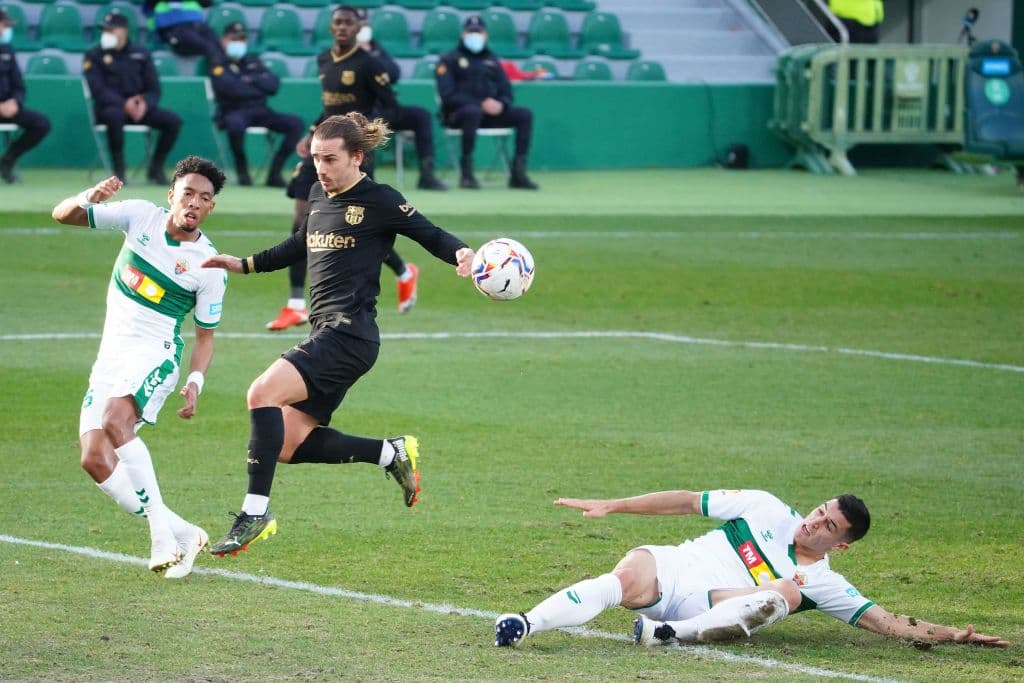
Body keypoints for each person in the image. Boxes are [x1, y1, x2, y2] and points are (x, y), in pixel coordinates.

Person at [201, 113, 475, 557]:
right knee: (287, 446)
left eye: (330, 159)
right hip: (330, 334)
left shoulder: (381, 199)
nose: (321, 168)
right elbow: (298, 244)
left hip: (349, 336)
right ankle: (389, 453)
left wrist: (462, 253)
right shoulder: (316, 194)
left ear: (357, 157)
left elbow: (430, 234)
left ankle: (254, 512)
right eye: (315, 158)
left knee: (262, 393)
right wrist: (245, 264)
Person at [494, 488, 1011, 649]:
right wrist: (613, 504)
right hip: (677, 568)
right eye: (819, 512)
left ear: (842, 544)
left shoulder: (825, 580)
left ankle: (669, 634)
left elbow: (887, 622)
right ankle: (525, 623)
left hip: (714, 606)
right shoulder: (764, 507)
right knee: (623, 575)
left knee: (786, 591)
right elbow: (683, 503)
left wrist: (955, 637)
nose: (814, 524)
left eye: (828, 526)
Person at [50, 156, 229, 580]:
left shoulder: (209, 265)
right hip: (111, 356)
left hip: (157, 352)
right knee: (94, 458)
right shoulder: (140, 217)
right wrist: (88, 197)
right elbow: (63, 215)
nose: (194, 203)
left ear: (210, 208)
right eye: (188, 193)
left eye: (204, 198)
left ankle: (160, 537)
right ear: (172, 196)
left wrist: (195, 381)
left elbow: (206, 334)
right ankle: (185, 532)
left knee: (115, 420)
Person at [268, 4, 419, 331]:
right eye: (337, 22)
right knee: (303, 222)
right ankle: (295, 304)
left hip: (351, 153)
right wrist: (311, 133)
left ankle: (404, 271)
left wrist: (364, 134)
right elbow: (327, 107)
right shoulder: (324, 60)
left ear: (359, 27)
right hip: (322, 149)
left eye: (348, 23)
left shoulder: (369, 64)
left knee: (359, 226)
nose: (341, 28)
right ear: (331, 27)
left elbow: (391, 105)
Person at [436, 15, 538, 190]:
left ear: (486, 35)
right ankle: (466, 174)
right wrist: (480, 102)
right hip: (458, 115)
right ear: (463, 34)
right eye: (471, 31)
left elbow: (506, 91)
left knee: (524, 114)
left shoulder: (492, 59)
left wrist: (501, 104)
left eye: (479, 31)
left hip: (490, 115)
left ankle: (518, 174)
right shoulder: (449, 59)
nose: (475, 35)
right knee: (472, 111)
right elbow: (447, 95)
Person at [83, 13, 183, 184]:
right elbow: (97, 90)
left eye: (111, 29)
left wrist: (145, 104)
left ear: (124, 31)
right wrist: (124, 104)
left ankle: (155, 169)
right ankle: (118, 171)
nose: (107, 33)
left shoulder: (141, 53)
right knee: (115, 116)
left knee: (173, 121)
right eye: (105, 30)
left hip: (138, 109)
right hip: (109, 108)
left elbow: (154, 88)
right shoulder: (94, 55)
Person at [356, 8, 447, 191]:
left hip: (386, 106)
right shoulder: (343, 52)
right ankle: (367, 180)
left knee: (421, 115)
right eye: (359, 26)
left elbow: (394, 72)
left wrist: (372, 60)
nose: (362, 30)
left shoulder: (377, 49)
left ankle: (426, 175)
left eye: (365, 25)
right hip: (362, 110)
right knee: (367, 122)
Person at [209, 22, 304, 187]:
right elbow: (231, 90)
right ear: (224, 41)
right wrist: (257, 86)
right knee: (235, 125)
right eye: (234, 39)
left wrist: (250, 80)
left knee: (295, 124)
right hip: (233, 111)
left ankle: (274, 173)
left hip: (261, 111)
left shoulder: (253, 61)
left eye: (241, 39)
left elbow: (273, 85)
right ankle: (242, 172)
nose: (238, 43)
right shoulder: (218, 64)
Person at [0, 8, 52, 183]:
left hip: (9, 108)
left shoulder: (7, 50)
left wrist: (15, 102)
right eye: (3, 25)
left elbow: (19, 85)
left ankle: (8, 158)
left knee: (41, 123)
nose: (5, 30)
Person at [142, 0, 223, 63]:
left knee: (217, 45)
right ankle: (219, 72)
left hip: (197, 24)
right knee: (208, 47)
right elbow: (148, 7)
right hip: (171, 27)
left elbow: (207, 2)